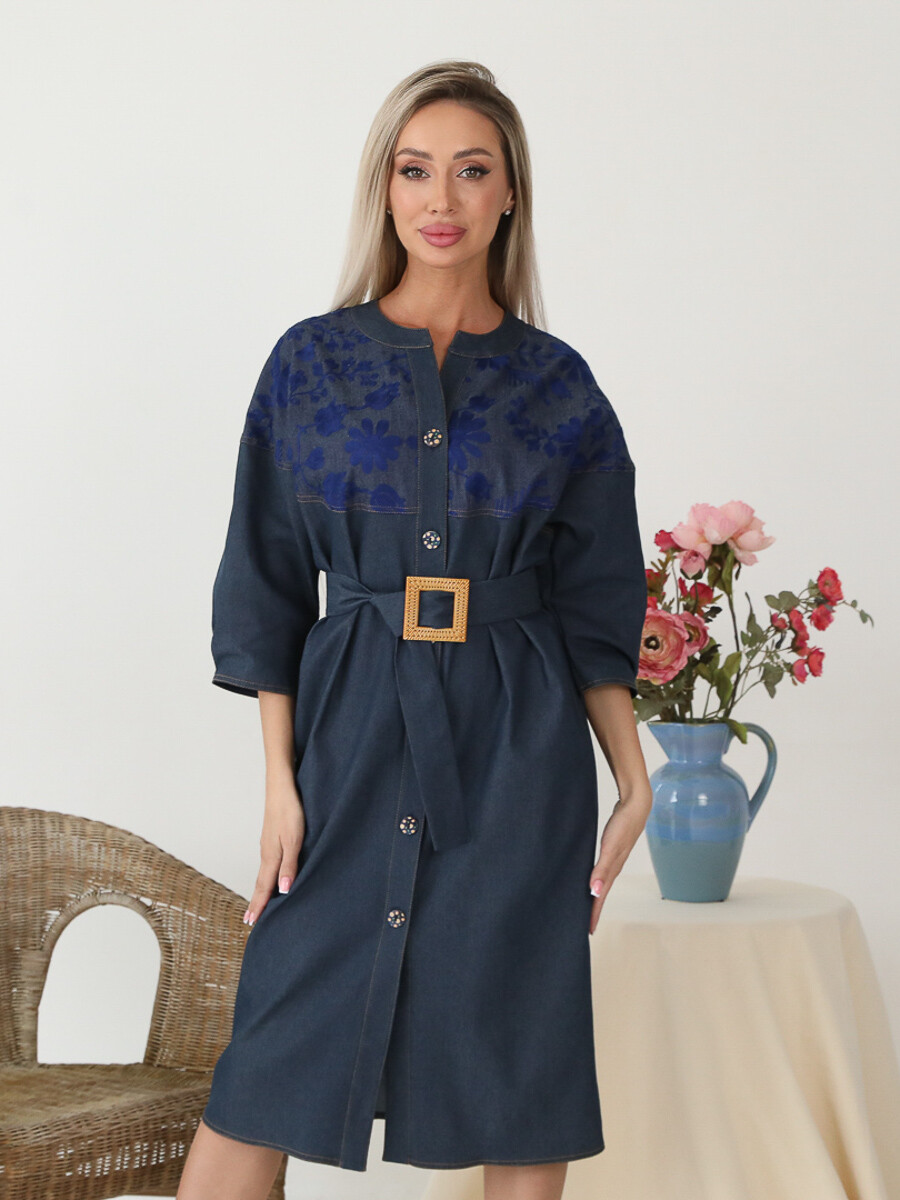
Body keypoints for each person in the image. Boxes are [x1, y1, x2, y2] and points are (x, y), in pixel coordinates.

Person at [177, 58, 653, 1200]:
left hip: (517, 751)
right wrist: (280, 784)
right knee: (272, 1058)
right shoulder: (311, 364)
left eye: (471, 171)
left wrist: (632, 777)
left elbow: (596, 604)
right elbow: (267, 583)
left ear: (510, 194)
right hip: (347, 735)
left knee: (519, 1059)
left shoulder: (559, 388)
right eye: (416, 170)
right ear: (384, 189)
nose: (442, 199)